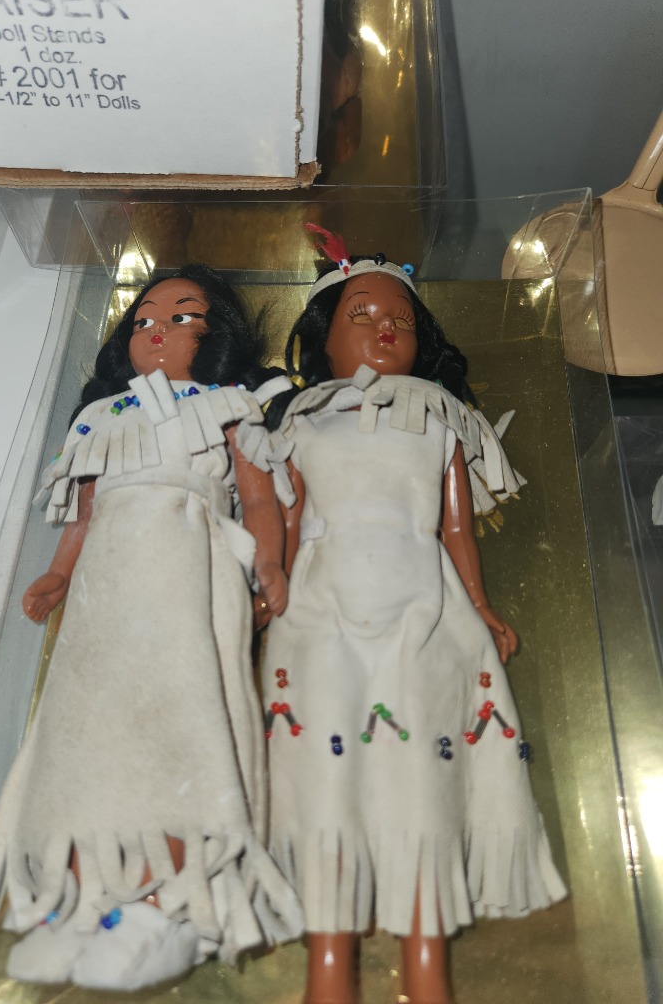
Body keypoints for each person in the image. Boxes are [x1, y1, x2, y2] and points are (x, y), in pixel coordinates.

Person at [0, 264, 301, 991]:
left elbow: (258, 500)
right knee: (87, 734)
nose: (156, 331)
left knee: (177, 726)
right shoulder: (100, 418)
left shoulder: (228, 406)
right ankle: (84, 900)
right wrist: (59, 574)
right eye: (143, 320)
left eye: (181, 317)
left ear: (217, 336)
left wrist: (269, 561)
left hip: (187, 567)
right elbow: (83, 516)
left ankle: (164, 905)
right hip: (106, 586)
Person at [263, 228, 567, 1004]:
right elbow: (288, 521)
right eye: (362, 314)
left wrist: (481, 604)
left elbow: (456, 528)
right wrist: (269, 592)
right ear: (323, 339)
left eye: (400, 317)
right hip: (321, 608)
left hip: (422, 604)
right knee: (323, 776)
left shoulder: (439, 418)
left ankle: (427, 969)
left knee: (420, 778)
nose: (385, 327)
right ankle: (328, 970)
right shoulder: (301, 420)